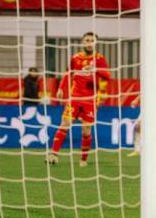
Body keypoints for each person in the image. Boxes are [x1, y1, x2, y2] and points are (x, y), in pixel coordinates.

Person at [46, 32, 110, 167]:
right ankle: (53, 154)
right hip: (75, 97)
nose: (89, 42)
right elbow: (68, 74)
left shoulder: (100, 59)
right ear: (83, 42)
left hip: (90, 100)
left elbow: (107, 76)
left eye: (92, 40)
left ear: (95, 43)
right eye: (87, 40)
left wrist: (95, 69)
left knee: (86, 130)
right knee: (65, 123)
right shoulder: (75, 58)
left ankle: (83, 159)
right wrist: (61, 88)